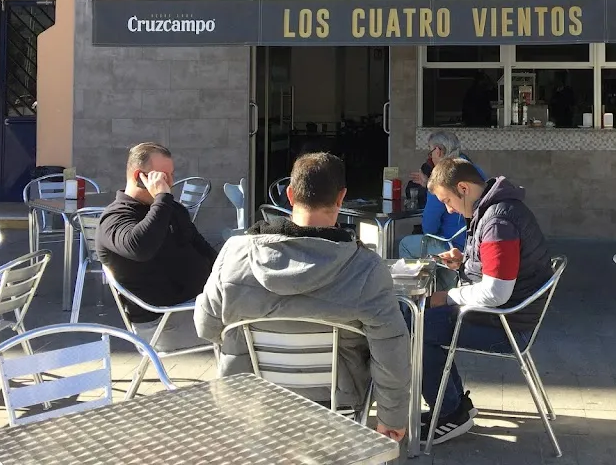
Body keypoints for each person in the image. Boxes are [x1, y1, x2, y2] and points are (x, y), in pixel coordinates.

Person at [194, 152, 410, 444]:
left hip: (252, 401)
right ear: (341, 198)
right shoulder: (366, 268)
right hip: (337, 403)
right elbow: (391, 353)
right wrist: (391, 418)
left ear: (290, 195)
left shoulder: (234, 254)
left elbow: (205, 327)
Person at [414, 157, 552, 445]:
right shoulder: (494, 209)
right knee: (425, 321)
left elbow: (496, 292)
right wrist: (464, 264)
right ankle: (451, 406)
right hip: (506, 315)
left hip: (508, 326)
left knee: (417, 328)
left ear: (463, 187)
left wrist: (448, 295)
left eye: (448, 200)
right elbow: (498, 271)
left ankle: (450, 414)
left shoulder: (498, 220)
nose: (449, 208)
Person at [96, 142, 217, 351]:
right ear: (138, 177)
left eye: (171, 175)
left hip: (198, 306)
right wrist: (162, 198)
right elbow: (141, 248)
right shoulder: (114, 218)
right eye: (161, 176)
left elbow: (203, 249)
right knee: (249, 331)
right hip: (162, 323)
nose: (169, 183)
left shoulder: (171, 210)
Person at [399, 132, 485, 288]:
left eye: (430, 152)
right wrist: (429, 186)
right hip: (474, 241)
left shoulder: (442, 177)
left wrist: (433, 189)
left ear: (438, 151)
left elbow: (429, 227)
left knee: (406, 244)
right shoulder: (474, 169)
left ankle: (411, 302)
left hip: (453, 245)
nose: (430, 157)